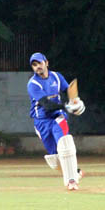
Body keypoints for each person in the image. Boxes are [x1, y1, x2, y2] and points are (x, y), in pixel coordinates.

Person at [27, 52, 86, 190]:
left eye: (39, 63)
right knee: (55, 159)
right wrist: (66, 106)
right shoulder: (33, 84)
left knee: (65, 144)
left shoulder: (57, 77)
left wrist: (75, 101)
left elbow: (69, 91)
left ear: (46, 63)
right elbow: (46, 104)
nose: (37, 67)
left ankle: (71, 181)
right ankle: (75, 172)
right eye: (34, 65)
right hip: (41, 121)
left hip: (58, 117)